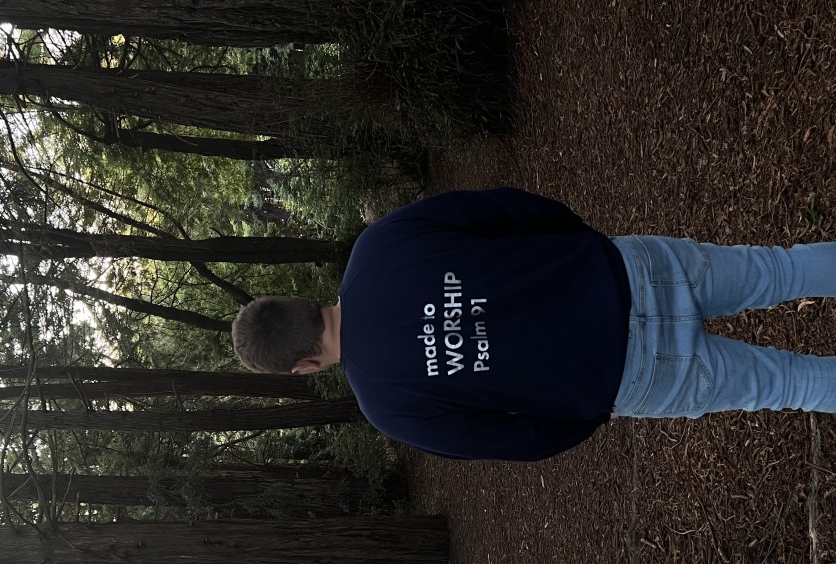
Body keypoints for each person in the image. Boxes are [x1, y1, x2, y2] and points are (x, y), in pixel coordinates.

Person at [232, 187, 836, 462]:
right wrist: (582, 247)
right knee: (779, 270)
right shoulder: (379, 246)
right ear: (297, 301)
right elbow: (506, 208)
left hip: (631, 375)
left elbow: (514, 442)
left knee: (790, 384)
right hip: (630, 270)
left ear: (303, 366)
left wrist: (590, 412)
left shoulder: (388, 408)